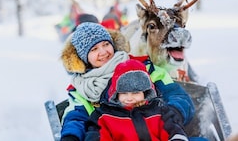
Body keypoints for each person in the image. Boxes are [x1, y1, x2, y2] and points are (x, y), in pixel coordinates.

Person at [59, 22, 195, 141]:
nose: (103, 52)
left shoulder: (144, 68)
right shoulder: (81, 90)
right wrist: (71, 137)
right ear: (83, 57)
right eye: (94, 49)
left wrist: (169, 120)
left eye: (106, 44)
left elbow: (178, 97)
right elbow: (76, 118)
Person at [85, 59, 190, 141]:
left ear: (145, 92)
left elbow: (174, 131)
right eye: (124, 93)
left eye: (135, 93)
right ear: (116, 93)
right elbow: (96, 135)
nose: (129, 98)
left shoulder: (158, 111)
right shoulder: (104, 116)